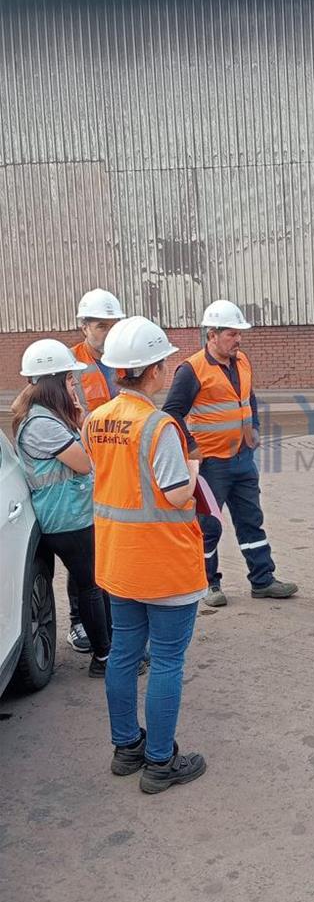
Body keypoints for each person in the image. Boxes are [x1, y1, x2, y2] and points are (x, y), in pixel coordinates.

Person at [83, 316, 207, 794]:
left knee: (123, 654)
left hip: (118, 559)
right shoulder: (159, 426)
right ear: (153, 370)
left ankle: (126, 748)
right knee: (168, 660)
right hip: (164, 564)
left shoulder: (96, 419)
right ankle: (159, 762)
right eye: (165, 363)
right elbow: (176, 494)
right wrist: (195, 466)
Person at [163, 300, 297, 606]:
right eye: (232, 334)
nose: (238, 339)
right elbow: (171, 413)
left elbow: (249, 398)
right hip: (212, 464)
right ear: (212, 335)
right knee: (208, 526)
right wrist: (192, 448)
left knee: (251, 520)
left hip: (242, 458)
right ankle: (208, 584)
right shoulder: (191, 370)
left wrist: (255, 427)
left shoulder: (242, 361)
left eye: (239, 333)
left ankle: (263, 580)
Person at [12, 340, 112, 678]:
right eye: (70, 379)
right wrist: (81, 424)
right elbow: (84, 463)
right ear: (53, 383)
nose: (74, 384)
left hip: (70, 516)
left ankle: (104, 646)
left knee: (91, 583)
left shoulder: (46, 417)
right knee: (92, 586)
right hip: (67, 520)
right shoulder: (42, 424)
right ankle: (104, 657)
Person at [64, 288, 126, 654]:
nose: (108, 332)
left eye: (112, 324)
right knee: (85, 552)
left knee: (113, 545)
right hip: (85, 468)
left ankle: (113, 616)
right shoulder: (69, 363)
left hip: (118, 466)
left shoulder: (124, 357)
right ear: (84, 326)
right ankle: (79, 622)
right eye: (101, 326)